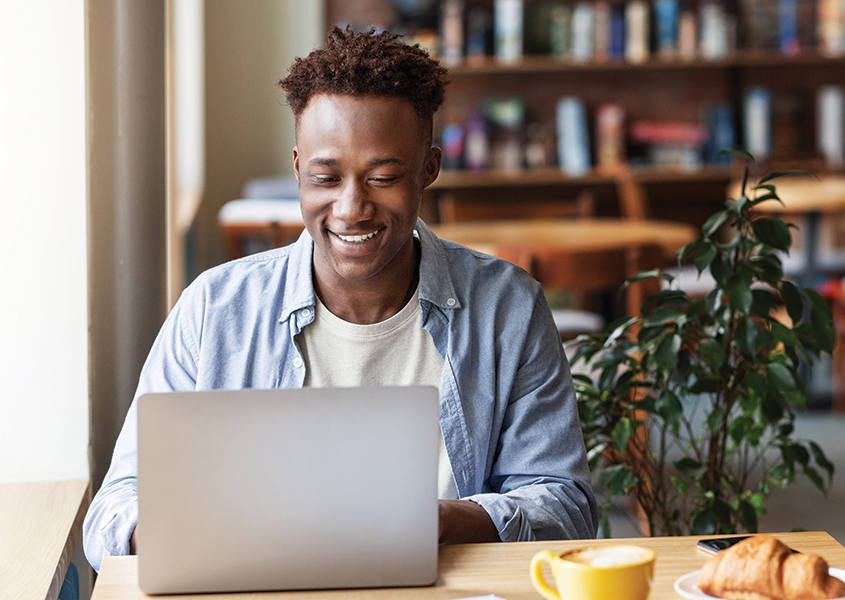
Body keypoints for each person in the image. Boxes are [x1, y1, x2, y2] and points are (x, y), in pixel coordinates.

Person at [82, 26, 598, 572]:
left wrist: (442, 520)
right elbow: (112, 512)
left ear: (428, 169)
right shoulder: (213, 312)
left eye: (383, 177)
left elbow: (566, 506)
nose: (351, 208)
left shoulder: (508, 310)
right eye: (326, 177)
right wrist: (177, 530)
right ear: (299, 167)